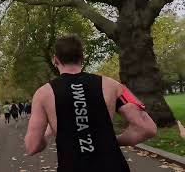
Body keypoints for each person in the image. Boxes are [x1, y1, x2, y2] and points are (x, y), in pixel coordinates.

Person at [24, 35, 157, 172]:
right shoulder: (113, 86)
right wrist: (114, 141)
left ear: (55, 60)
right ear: (82, 58)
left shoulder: (43, 94)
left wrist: (46, 134)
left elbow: (32, 146)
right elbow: (147, 128)